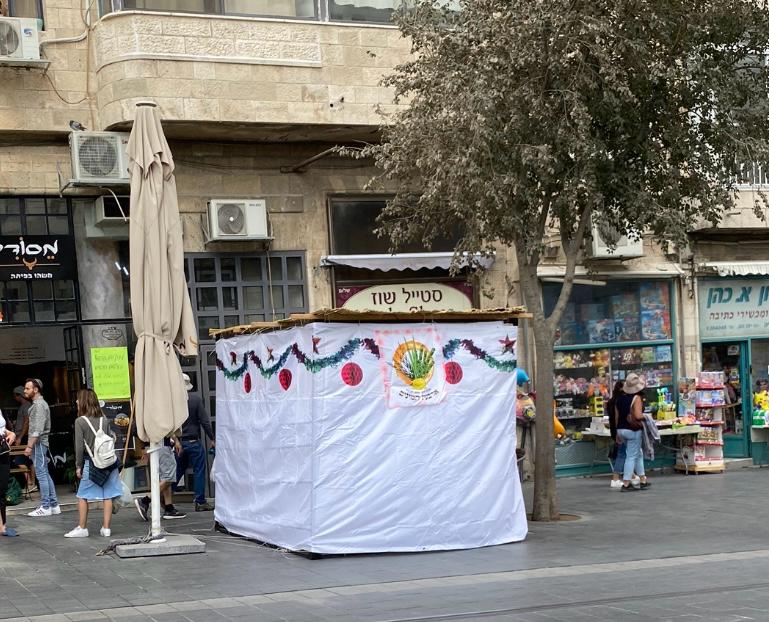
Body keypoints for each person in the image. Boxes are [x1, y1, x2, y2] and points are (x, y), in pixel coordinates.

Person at [65, 389, 120, 538]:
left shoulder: (80, 421)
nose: (76, 402)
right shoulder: (104, 418)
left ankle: (82, 527)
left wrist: (78, 466)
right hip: (109, 463)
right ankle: (106, 528)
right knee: (107, 495)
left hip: (92, 463)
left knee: (82, 495)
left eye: (78, 399)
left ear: (83, 401)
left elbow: (79, 447)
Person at [176, 374, 215, 511]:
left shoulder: (173, 400)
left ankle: (165, 495)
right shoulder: (195, 400)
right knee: (199, 470)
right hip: (193, 441)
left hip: (178, 442)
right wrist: (212, 438)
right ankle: (200, 501)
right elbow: (204, 421)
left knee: (177, 471)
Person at [23, 379, 60, 516]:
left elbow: (37, 430)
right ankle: (54, 504)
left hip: (38, 443)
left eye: (27, 388)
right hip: (40, 443)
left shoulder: (38, 405)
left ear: (36, 389)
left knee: (41, 474)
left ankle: (45, 506)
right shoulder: (40, 404)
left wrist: (29, 446)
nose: (25, 391)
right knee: (44, 473)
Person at [134, 433, 186, 521]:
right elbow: (167, 427)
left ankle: (169, 508)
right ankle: (145, 500)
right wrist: (176, 440)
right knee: (169, 478)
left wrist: (143, 448)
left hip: (152, 446)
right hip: (162, 445)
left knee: (165, 478)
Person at [615, 373, 651, 492]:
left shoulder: (619, 399)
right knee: (631, 456)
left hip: (621, 429)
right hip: (633, 430)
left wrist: (616, 433)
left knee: (637, 454)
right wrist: (647, 418)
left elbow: (617, 417)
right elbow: (637, 415)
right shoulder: (637, 398)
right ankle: (626, 483)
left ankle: (642, 479)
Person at [11, 386, 36, 493]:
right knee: (29, 461)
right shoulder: (25, 406)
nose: (14, 398)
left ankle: (30, 483)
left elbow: (27, 421)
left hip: (24, 437)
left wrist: (20, 437)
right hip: (25, 436)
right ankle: (32, 484)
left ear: (19, 395)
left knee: (18, 460)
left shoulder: (26, 406)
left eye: (15, 395)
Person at [0, 410, 19, 537]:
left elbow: (2, 428)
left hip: (3, 450)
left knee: (2, 488)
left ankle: (3, 525)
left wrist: (11, 433)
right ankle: (2, 526)